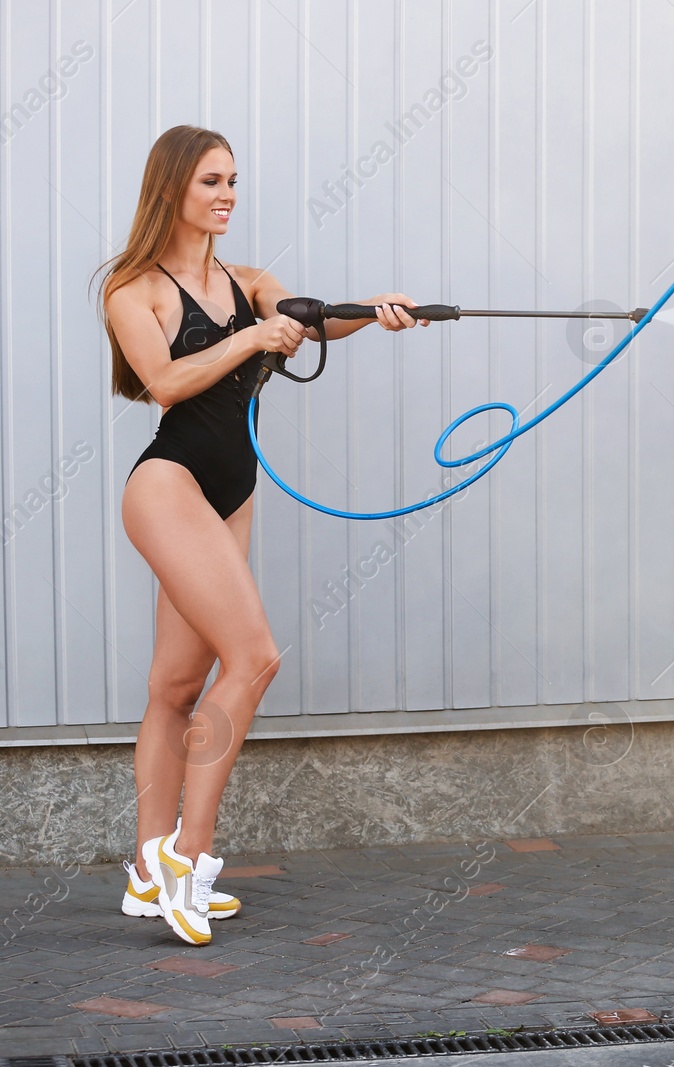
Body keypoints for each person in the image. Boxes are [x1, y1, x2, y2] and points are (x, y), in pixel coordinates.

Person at [95, 124, 428, 946]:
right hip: (167, 485)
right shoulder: (133, 289)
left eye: (234, 181)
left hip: (231, 491)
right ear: (173, 187)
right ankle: (189, 859)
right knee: (257, 657)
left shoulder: (251, 281)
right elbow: (164, 381)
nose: (228, 195)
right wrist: (251, 336)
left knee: (176, 686)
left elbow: (311, 321)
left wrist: (377, 312)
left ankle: (147, 869)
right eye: (212, 181)